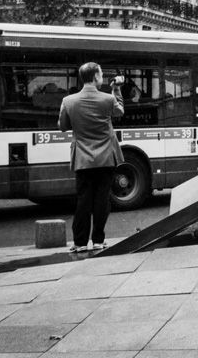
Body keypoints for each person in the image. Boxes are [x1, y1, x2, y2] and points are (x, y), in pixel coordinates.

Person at [58, 62, 125, 253]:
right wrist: (116, 89)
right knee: (102, 199)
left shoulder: (68, 101)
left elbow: (62, 126)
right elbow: (120, 111)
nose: (102, 77)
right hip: (105, 157)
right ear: (96, 77)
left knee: (83, 200)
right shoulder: (107, 99)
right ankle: (98, 240)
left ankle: (79, 242)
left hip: (82, 158)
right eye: (101, 74)